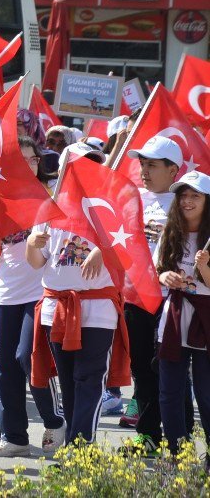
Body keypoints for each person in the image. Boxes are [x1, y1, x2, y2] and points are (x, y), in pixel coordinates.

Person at [26, 144, 127, 446]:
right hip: (56, 307)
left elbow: (129, 250)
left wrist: (103, 250)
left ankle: (82, 447)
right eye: (78, 164)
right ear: (65, 169)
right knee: (68, 382)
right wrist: (32, 242)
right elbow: (37, 262)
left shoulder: (111, 205)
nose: (84, 170)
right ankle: (73, 443)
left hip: (97, 308)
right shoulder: (50, 206)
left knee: (89, 378)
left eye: (92, 164)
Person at [0, 137, 65, 458]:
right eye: (22, 160)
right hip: (4, 293)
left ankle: (54, 420)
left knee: (28, 358)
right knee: (6, 367)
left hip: (38, 292)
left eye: (33, 160)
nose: (28, 165)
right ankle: (15, 436)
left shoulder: (51, 199)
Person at [119, 135, 182, 455]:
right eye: (142, 164)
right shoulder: (135, 199)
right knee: (141, 369)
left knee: (169, 369)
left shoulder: (187, 203)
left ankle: (178, 437)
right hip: (135, 297)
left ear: (174, 171)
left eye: (152, 165)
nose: (144, 171)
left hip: (172, 300)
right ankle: (147, 436)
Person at [155, 171, 210, 455]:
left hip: (206, 318)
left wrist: (204, 268)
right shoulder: (170, 230)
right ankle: (177, 453)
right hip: (175, 315)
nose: (187, 201)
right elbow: (159, 269)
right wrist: (165, 278)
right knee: (169, 392)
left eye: (195, 196)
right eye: (183, 195)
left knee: (206, 394)